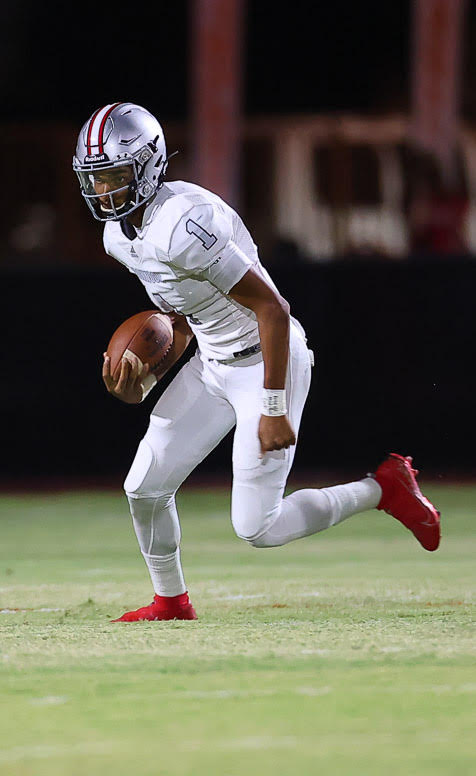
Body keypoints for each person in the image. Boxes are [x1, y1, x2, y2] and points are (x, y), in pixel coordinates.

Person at [73, 102, 441, 622]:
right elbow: (182, 317)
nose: (103, 189)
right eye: (96, 178)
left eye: (114, 175)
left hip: (267, 358)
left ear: (149, 166)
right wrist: (145, 381)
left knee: (258, 527)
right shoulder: (118, 236)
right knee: (144, 487)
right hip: (213, 361)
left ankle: (384, 488)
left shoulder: (184, 224)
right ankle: (171, 602)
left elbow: (273, 308)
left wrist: (272, 406)